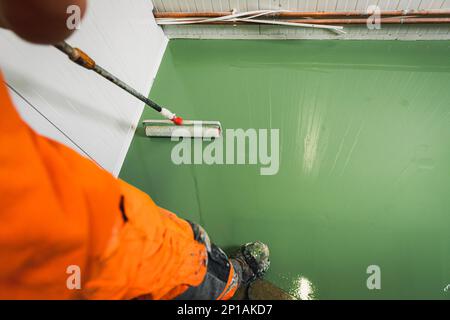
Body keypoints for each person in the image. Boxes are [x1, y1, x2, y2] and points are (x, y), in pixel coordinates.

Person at [0, 0, 270, 300]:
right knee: (197, 268)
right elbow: (57, 13)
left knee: (180, 243)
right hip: (119, 255)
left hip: (105, 240)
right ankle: (234, 278)